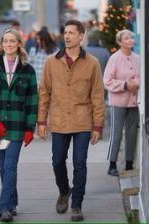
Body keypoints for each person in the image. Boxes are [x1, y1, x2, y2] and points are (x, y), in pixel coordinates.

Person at [37, 19, 105, 221]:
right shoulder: (51, 61)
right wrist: (41, 121)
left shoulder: (92, 63)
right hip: (58, 120)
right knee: (57, 161)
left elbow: (97, 96)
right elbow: (44, 93)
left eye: (71, 33)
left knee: (80, 163)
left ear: (81, 36)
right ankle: (64, 190)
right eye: (65, 32)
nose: (66, 36)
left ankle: (77, 205)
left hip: (83, 121)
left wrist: (98, 125)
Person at [0, 28, 38, 222]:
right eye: (5, 41)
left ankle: (4, 209)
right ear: (1, 44)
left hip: (17, 126)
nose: (9, 44)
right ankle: (12, 201)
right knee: (3, 168)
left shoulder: (28, 70)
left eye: (13, 41)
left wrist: (30, 129)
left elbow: (32, 102)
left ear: (19, 44)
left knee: (10, 166)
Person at [103, 29, 140, 177]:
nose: (130, 40)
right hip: (118, 102)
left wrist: (135, 83)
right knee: (116, 133)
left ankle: (129, 164)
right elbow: (107, 81)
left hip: (134, 102)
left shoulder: (138, 58)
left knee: (132, 133)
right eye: (126, 38)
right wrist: (124, 84)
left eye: (131, 37)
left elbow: (143, 77)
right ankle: (112, 164)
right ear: (120, 42)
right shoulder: (114, 58)